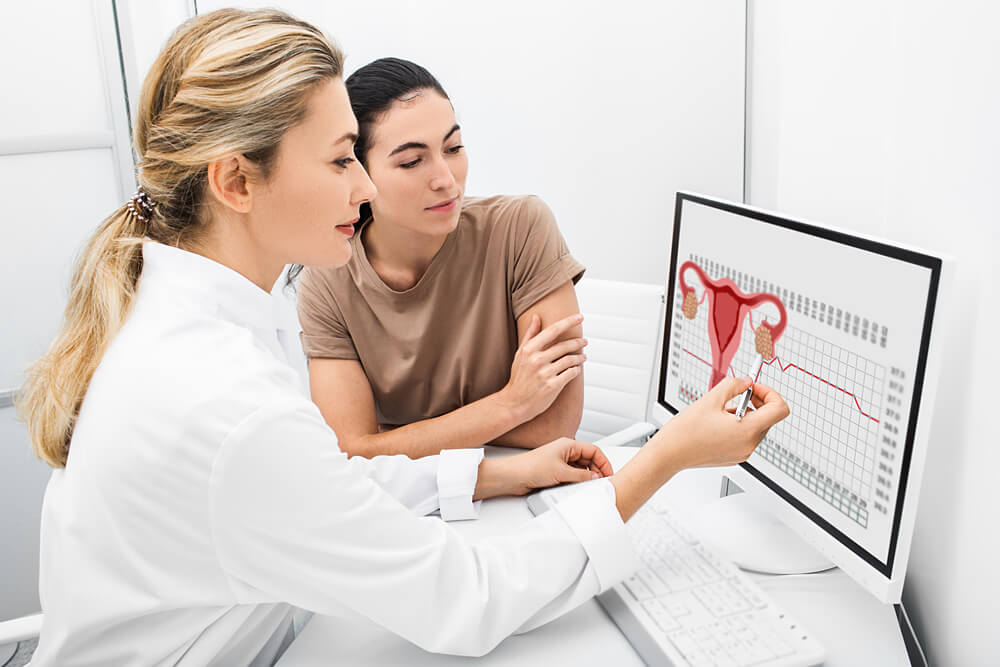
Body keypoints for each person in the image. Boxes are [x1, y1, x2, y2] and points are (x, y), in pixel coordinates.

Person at [17, 9, 789, 664]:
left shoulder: (197, 321)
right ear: (236, 182)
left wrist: (492, 476)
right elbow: (467, 599)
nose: (364, 188)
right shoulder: (226, 398)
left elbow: (324, 480)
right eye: (341, 159)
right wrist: (667, 456)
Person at [296, 58, 589, 458]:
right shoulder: (328, 279)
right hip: (413, 502)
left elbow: (553, 427)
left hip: (527, 485)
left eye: (453, 148)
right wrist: (513, 403)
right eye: (412, 161)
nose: (446, 180)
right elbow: (350, 451)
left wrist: (394, 438)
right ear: (359, 173)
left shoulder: (520, 228)